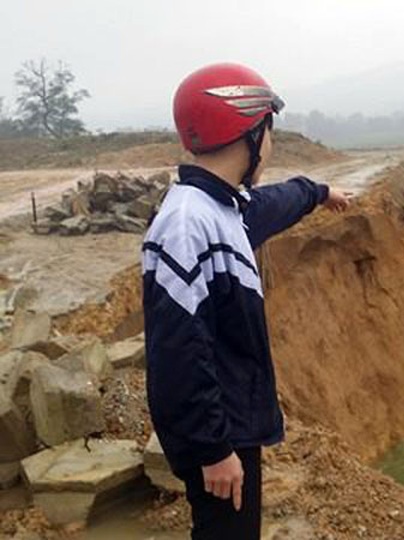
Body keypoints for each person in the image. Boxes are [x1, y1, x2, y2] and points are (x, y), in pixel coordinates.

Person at [142, 63, 350, 539]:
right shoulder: (187, 224)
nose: (271, 148)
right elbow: (177, 355)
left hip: (232, 423)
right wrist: (212, 450)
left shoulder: (218, 206)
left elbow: (271, 204)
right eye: (269, 133)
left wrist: (318, 193)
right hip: (220, 436)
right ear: (250, 135)